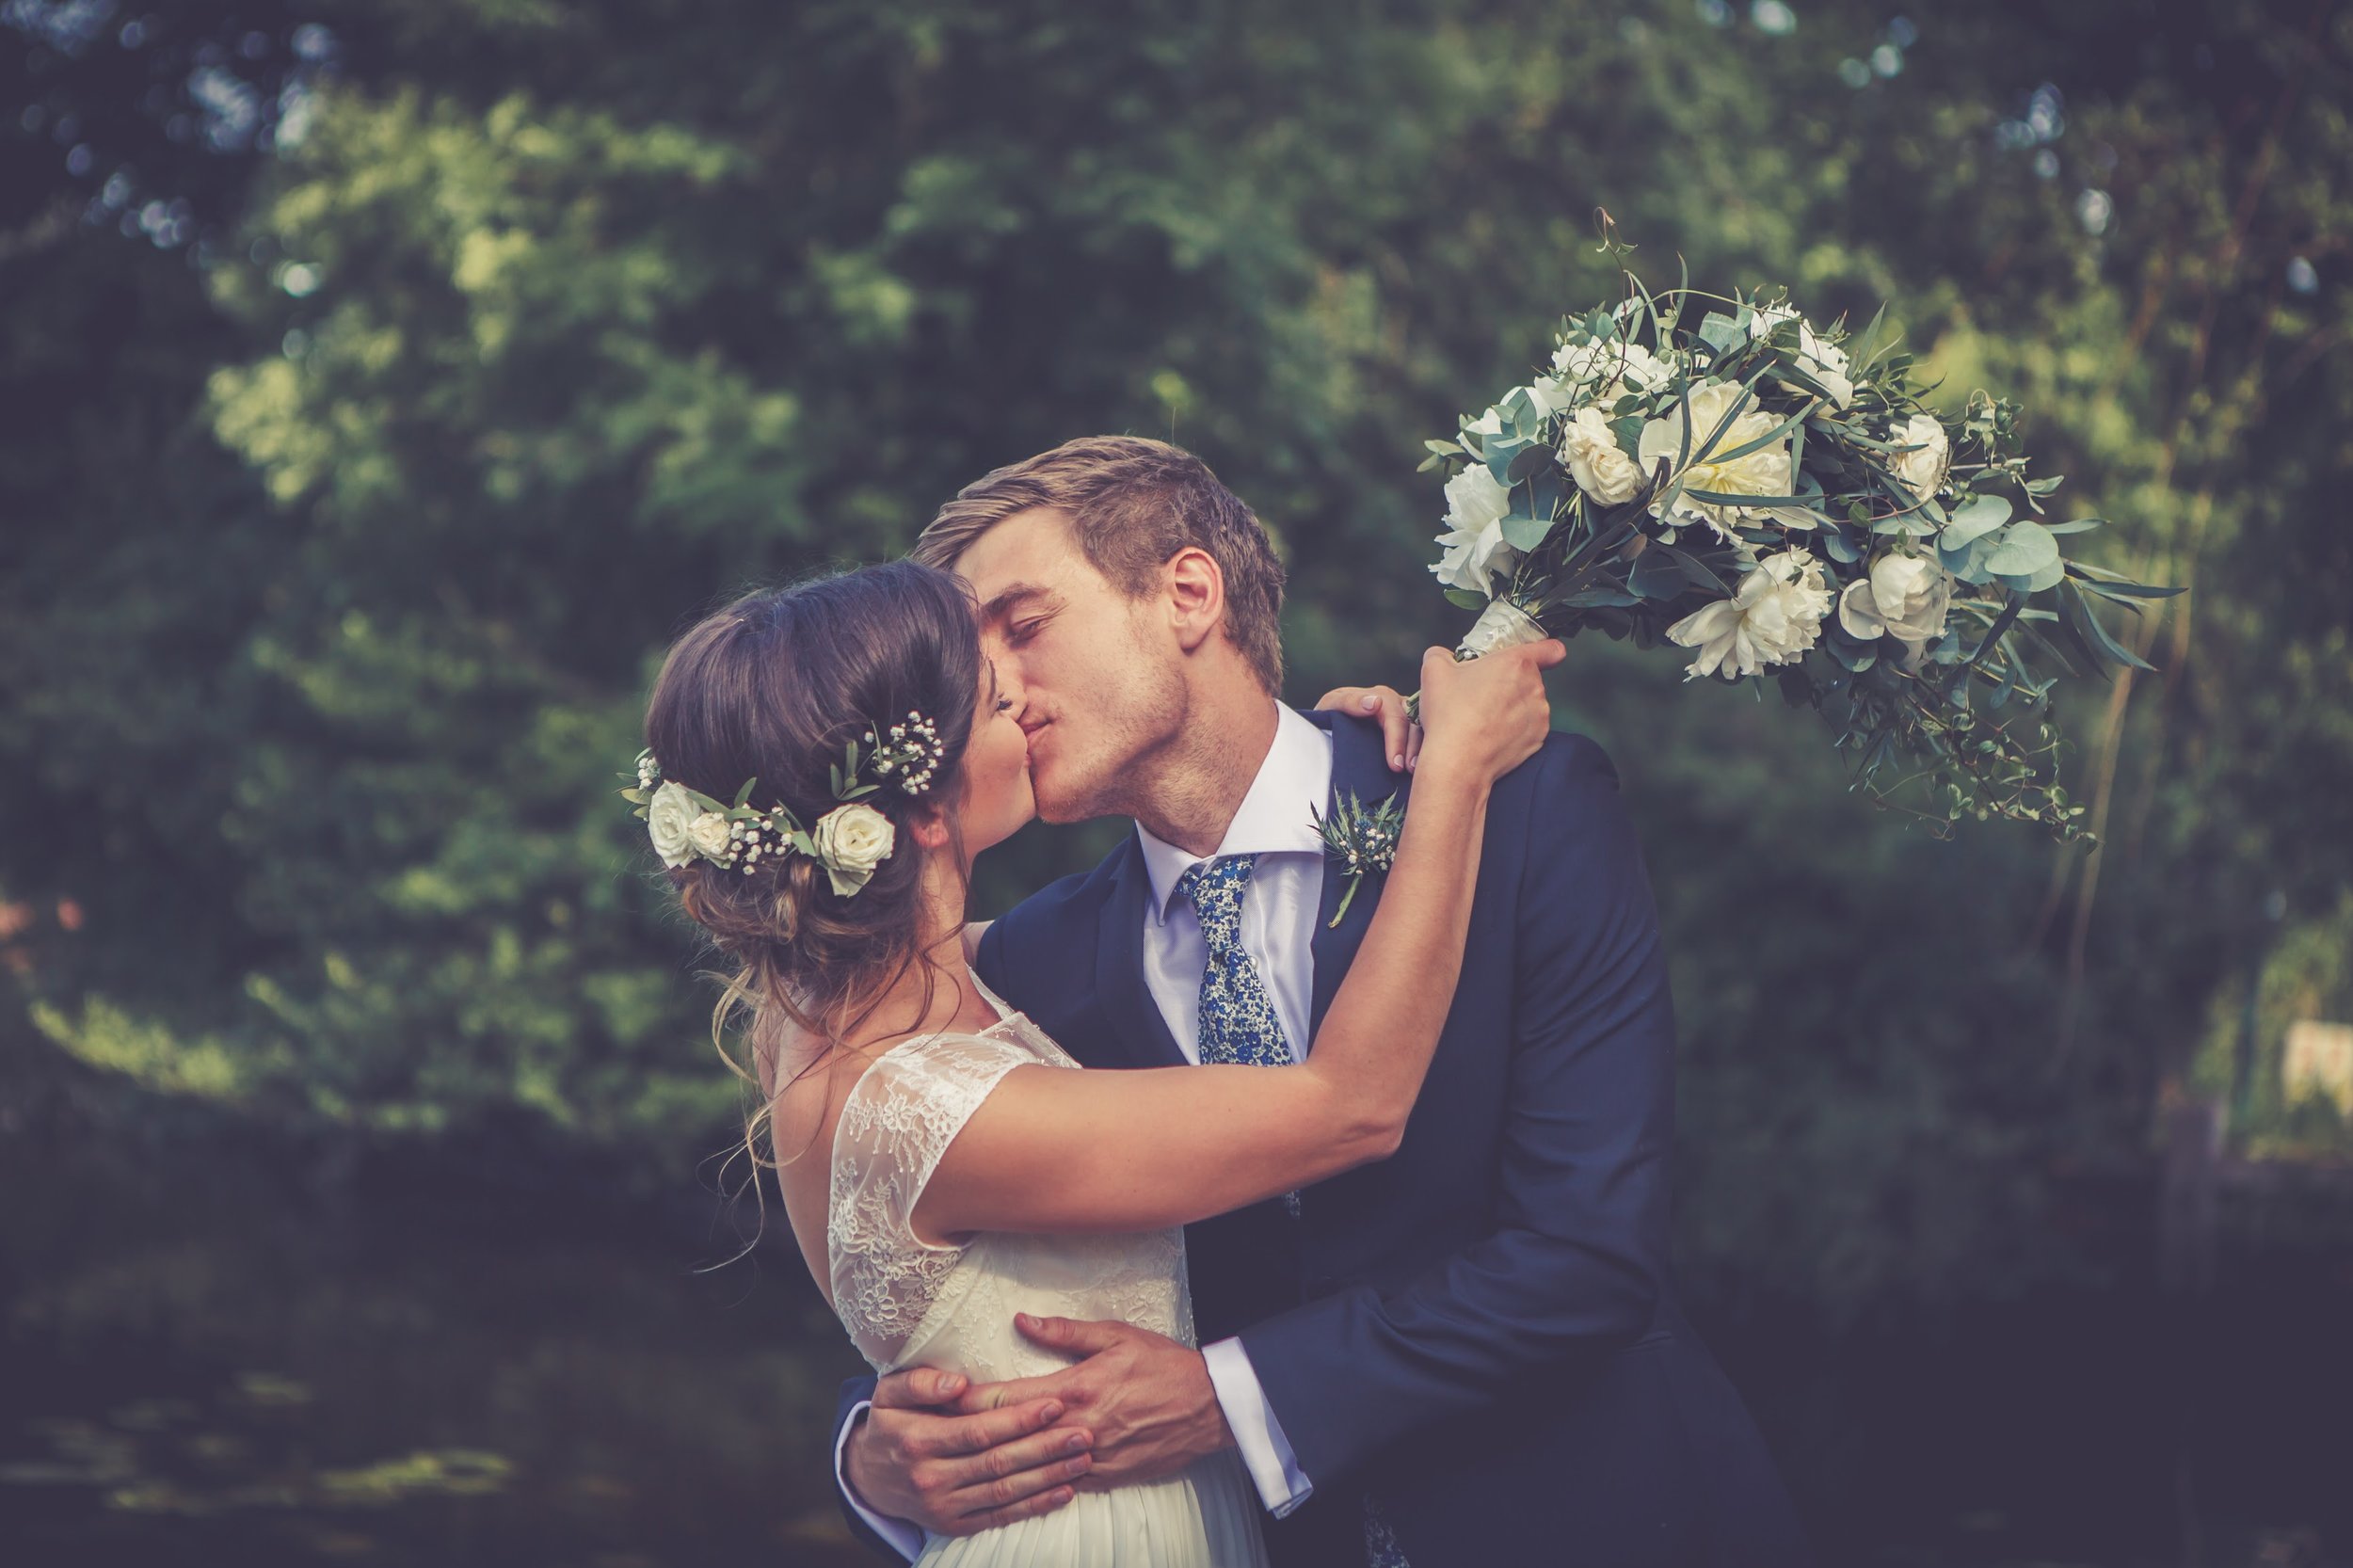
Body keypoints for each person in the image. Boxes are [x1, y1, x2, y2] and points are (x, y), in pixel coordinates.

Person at [833, 437, 1813, 1568]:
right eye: (971, 661)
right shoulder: (1037, 959)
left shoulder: (1522, 808)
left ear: (1187, 594)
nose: (994, 686)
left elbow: (1585, 1256)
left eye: (1024, 624)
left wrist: (1228, 1399)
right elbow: (945, 1255)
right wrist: (872, 1451)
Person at [638, 556, 1560, 1566]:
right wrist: (1456, 776)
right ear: (925, 814)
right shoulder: (940, 1105)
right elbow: (1353, 1103)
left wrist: (1343, 768)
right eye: (996, 701)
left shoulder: (840, 998)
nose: (1027, 703)